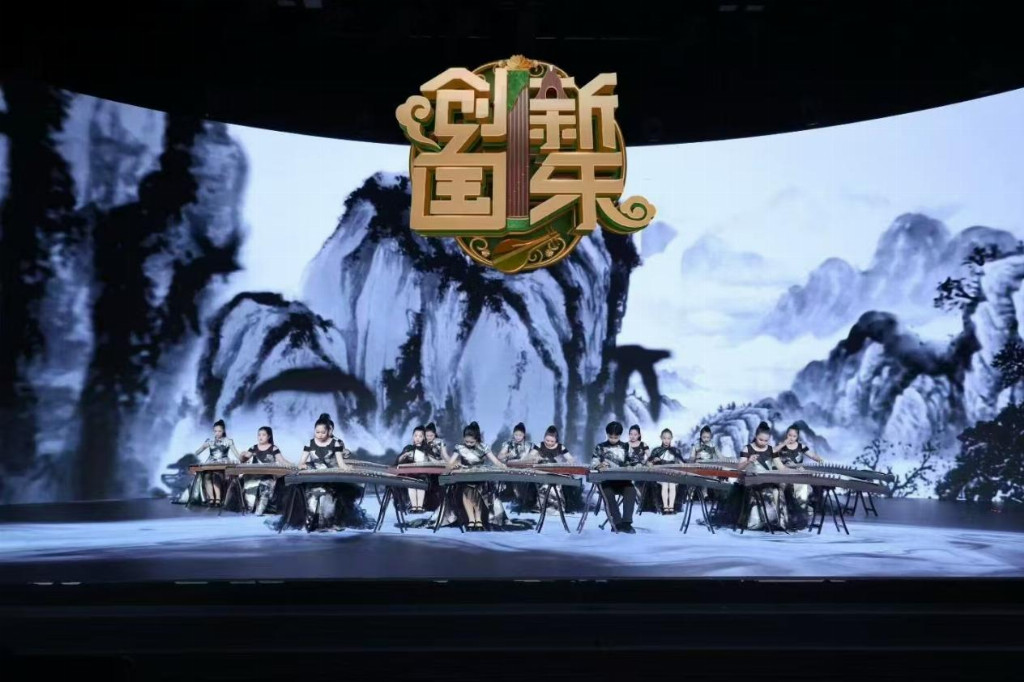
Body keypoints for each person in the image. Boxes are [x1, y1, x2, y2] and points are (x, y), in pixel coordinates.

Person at [296, 413, 353, 531]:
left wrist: (346, 467)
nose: (320, 435)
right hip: (315, 475)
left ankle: (327, 523)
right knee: (312, 497)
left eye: (323, 432)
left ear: (328, 431)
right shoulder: (309, 443)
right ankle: (313, 524)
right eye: (317, 432)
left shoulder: (335, 443)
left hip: (331, 476)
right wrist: (302, 465)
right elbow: (301, 461)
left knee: (327, 497)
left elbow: (340, 463)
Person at [446, 421, 508, 530]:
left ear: (477, 439)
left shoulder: (483, 447)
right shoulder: (460, 447)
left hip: (480, 477)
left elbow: (495, 461)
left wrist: (503, 466)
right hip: (465, 478)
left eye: (472, 442)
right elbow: (450, 463)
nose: (469, 444)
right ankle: (471, 519)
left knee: (477, 490)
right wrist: (455, 465)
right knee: (467, 489)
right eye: (466, 441)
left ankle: (478, 519)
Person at [591, 421, 642, 533]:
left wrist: (632, 466)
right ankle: (617, 524)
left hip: (623, 481)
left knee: (631, 491)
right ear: (607, 434)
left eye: (616, 437)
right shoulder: (600, 447)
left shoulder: (626, 447)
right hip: (606, 481)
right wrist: (599, 465)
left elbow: (635, 461)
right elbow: (594, 463)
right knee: (608, 494)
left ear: (620, 435)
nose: (613, 439)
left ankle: (627, 523)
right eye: (611, 437)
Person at [736, 421, 786, 530]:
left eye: (766, 440)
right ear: (755, 436)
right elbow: (739, 468)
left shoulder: (771, 450)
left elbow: (781, 468)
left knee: (778, 491)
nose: (763, 442)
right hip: (753, 482)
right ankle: (759, 522)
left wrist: (796, 470)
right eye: (760, 440)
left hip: (768, 480)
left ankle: (779, 522)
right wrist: (749, 461)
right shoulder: (747, 448)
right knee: (767, 491)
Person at [773, 424, 825, 529]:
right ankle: (784, 520)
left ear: (797, 437)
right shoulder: (781, 445)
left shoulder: (801, 446)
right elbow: (772, 452)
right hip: (783, 474)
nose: (791, 438)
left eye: (794, 436)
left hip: (797, 475)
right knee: (782, 489)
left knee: (803, 489)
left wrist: (820, 460)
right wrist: (783, 444)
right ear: (786, 435)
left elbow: (812, 455)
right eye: (789, 435)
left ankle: (800, 520)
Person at [238, 426, 293, 515]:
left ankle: (259, 510)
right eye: (259, 435)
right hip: (253, 475)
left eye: (263, 435)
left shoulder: (273, 448)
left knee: (265, 486)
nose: (260, 437)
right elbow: (243, 459)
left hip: (267, 475)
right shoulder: (254, 447)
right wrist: (241, 455)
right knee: (248, 484)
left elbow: (282, 460)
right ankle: (250, 508)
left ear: (269, 436)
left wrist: (293, 466)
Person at [525, 425, 580, 514]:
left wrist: (570, 461)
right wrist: (535, 458)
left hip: (555, 472)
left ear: (556, 440)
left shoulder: (560, 447)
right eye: (547, 440)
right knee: (543, 485)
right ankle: (541, 507)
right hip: (542, 472)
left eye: (552, 441)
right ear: (544, 438)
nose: (549, 443)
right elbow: (529, 457)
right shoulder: (540, 445)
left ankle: (557, 509)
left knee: (557, 486)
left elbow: (570, 459)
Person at [395, 424, 444, 513]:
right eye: (415, 436)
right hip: (410, 475)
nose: (417, 438)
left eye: (420, 436)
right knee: (411, 485)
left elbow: (434, 460)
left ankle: (420, 507)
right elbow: (398, 461)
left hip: (423, 475)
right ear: (413, 436)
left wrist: (433, 459)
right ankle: (414, 507)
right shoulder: (409, 448)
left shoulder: (427, 449)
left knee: (421, 484)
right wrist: (404, 455)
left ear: (424, 438)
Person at [192, 419, 241, 507]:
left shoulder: (228, 441)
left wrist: (243, 459)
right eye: (215, 431)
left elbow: (236, 454)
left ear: (223, 431)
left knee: (216, 475)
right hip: (211, 462)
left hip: (223, 463)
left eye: (219, 431)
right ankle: (211, 498)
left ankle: (218, 499)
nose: (217, 433)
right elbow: (198, 451)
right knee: (206, 475)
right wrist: (191, 457)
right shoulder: (210, 441)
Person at [647, 428, 683, 514]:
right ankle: (665, 507)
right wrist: (654, 461)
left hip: (673, 474)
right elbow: (648, 463)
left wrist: (679, 463)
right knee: (665, 485)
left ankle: (671, 507)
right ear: (661, 438)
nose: (666, 440)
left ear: (671, 438)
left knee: (672, 485)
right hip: (660, 474)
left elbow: (682, 463)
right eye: (664, 438)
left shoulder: (675, 451)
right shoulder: (657, 450)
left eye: (668, 438)